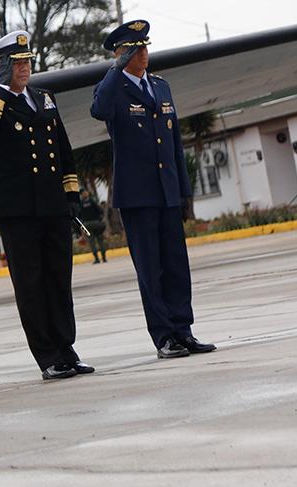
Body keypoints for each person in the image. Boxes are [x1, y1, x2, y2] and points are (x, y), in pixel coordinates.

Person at [90, 20, 216, 359]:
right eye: (135, 49)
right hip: (138, 196)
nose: (144, 54)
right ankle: (164, 337)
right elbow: (98, 110)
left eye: (145, 47)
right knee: (151, 268)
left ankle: (184, 330)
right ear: (120, 55)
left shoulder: (161, 87)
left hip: (167, 192)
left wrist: (184, 193)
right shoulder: (113, 90)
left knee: (176, 264)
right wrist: (114, 70)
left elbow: (175, 144)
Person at [0, 31, 94, 381]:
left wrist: (71, 195)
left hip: (53, 204)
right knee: (31, 283)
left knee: (59, 280)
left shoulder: (44, 98)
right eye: (16, 63)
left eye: (26, 62)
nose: (23, 69)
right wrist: (0, 89)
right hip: (18, 209)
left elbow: (64, 149)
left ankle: (66, 349)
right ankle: (47, 356)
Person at [78, 188, 108, 263]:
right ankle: (104, 258)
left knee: (91, 241)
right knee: (100, 239)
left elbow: (79, 215)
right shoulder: (92, 201)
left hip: (87, 225)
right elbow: (100, 211)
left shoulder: (80, 204)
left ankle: (97, 259)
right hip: (96, 223)